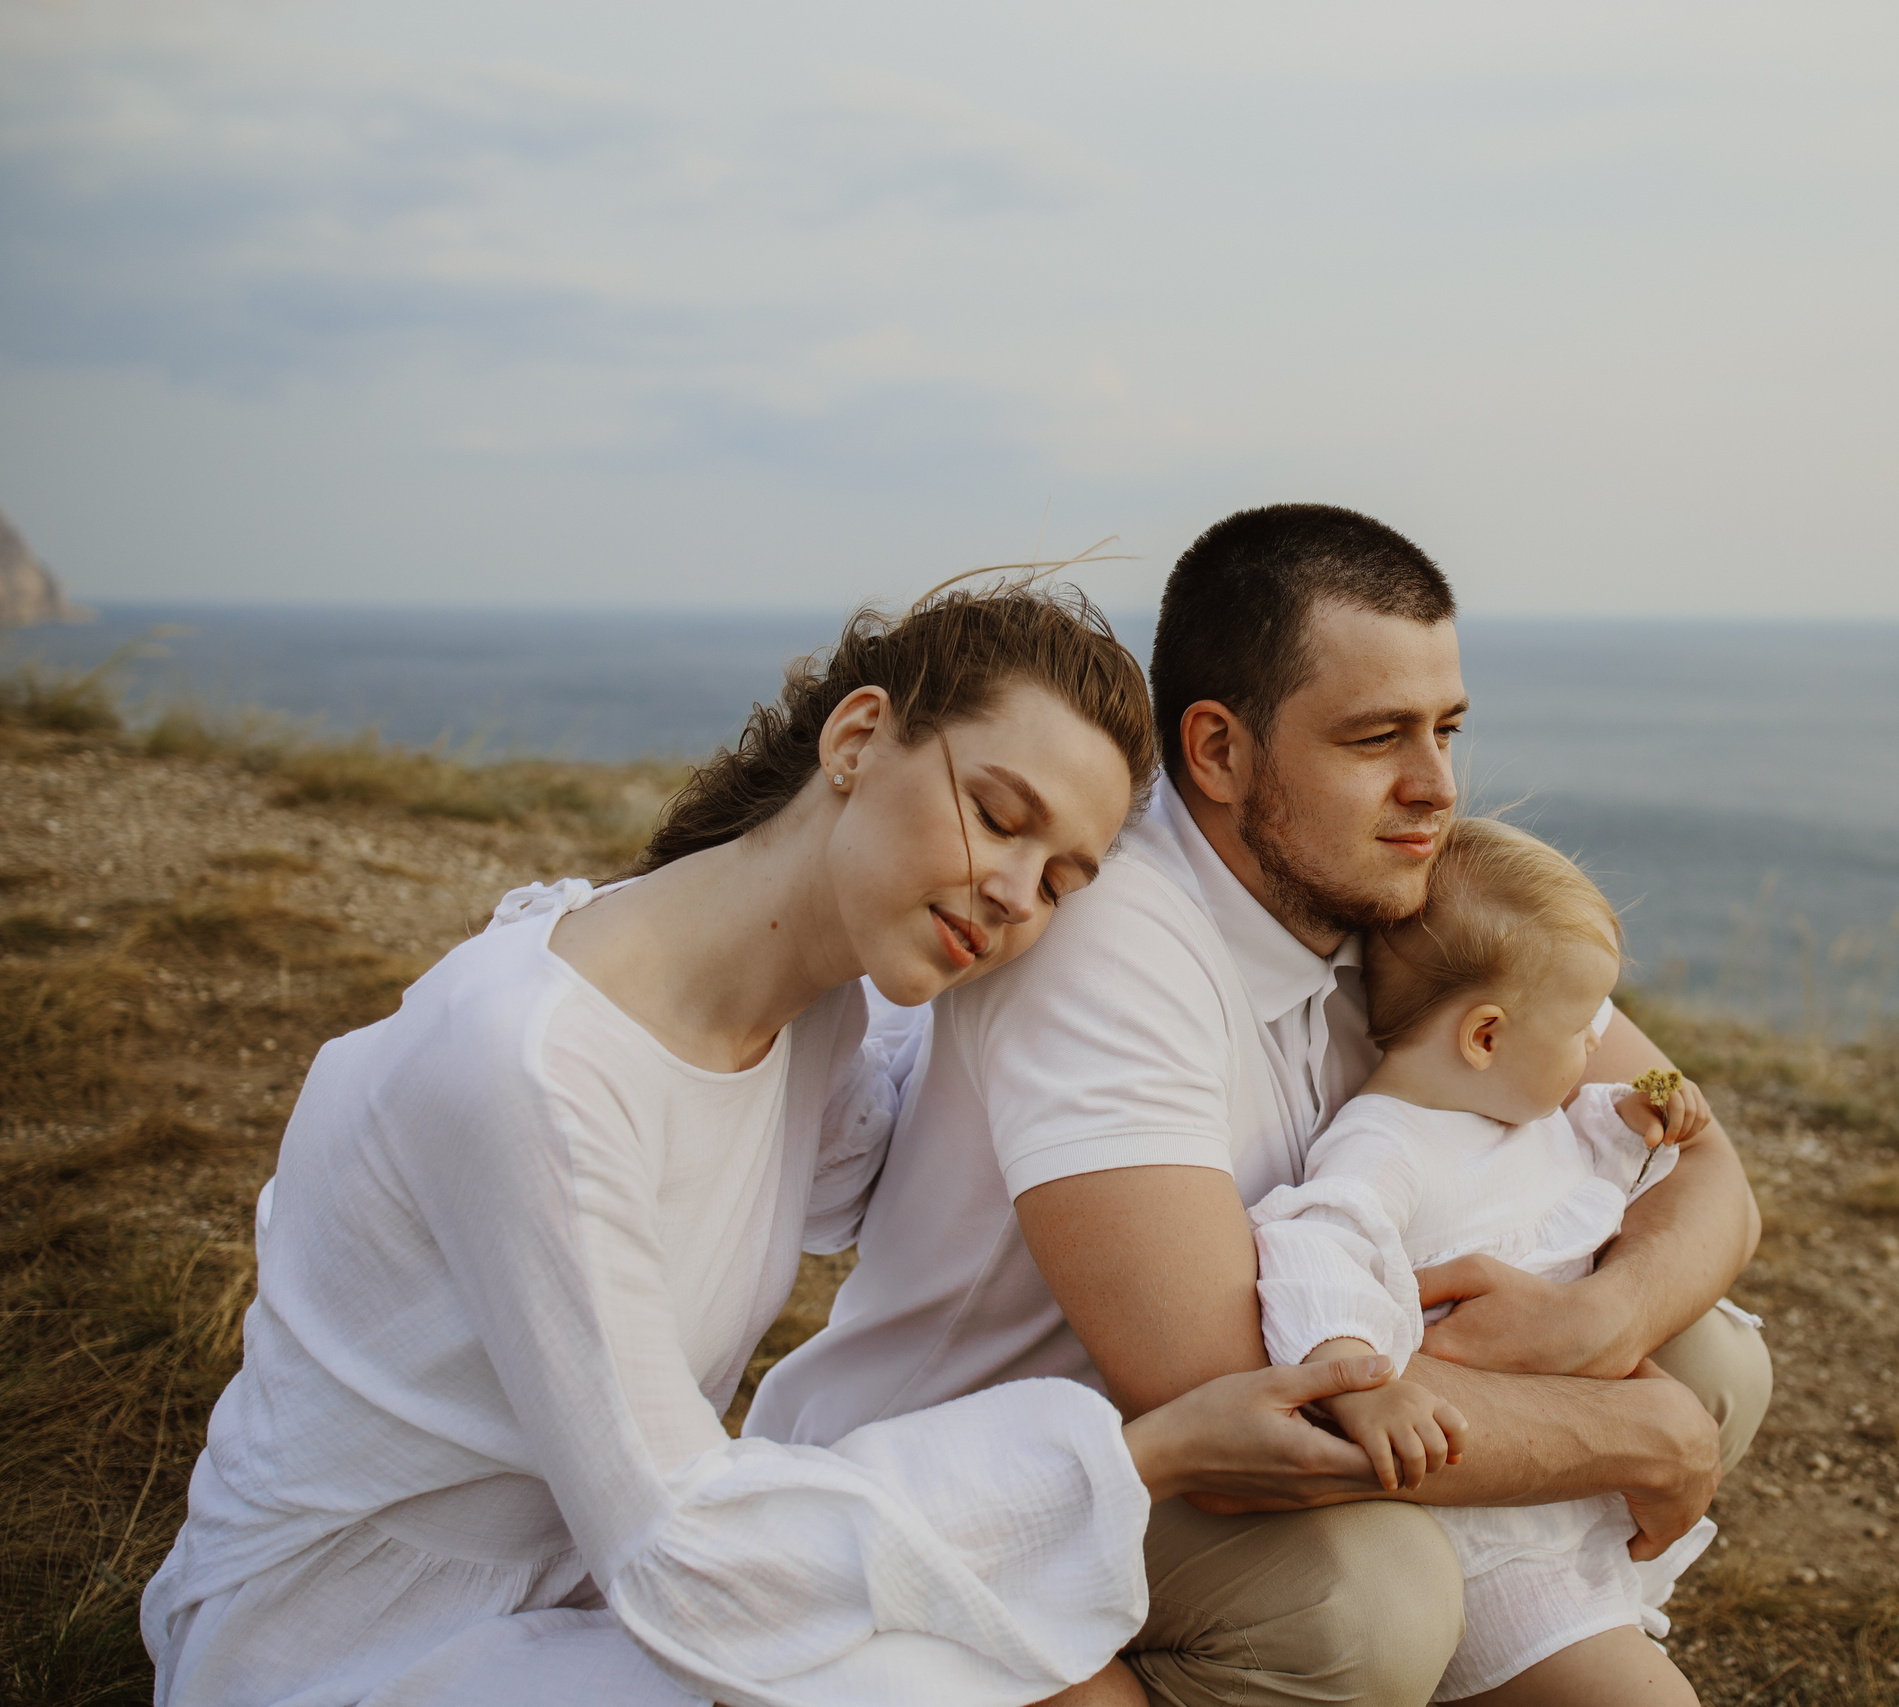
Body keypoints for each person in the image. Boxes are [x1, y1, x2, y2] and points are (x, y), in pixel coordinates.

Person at [140, 580, 1418, 1707]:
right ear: (858, 737)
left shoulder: (819, 1011)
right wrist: (1150, 1452)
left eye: (1065, 879)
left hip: (595, 1580)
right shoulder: (528, 1068)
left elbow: (939, 1140)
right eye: (997, 812)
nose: (1014, 894)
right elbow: (683, 1553)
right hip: (366, 1649)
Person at [748, 507, 1770, 1707]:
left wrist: (1602, 1321)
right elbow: (1231, 1403)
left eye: (1446, 731)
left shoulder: (1406, 887)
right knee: (1364, 1602)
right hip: (1006, 1463)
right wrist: (1629, 1432)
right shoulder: (1112, 938)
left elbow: (1702, 1160)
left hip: (1289, 1409)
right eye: (1375, 737)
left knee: (1705, 1351)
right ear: (1221, 753)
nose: (1432, 790)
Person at [1253, 815, 1762, 1705]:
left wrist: (1640, 1120)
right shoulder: (1387, 1142)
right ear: (1485, 1036)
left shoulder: (1512, 1111)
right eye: (1578, 1034)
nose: (1592, 1055)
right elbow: (1314, 1241)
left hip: (1561, 1493)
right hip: (1487, 1531)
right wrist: (1354, 1371)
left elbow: (1572, 1167)